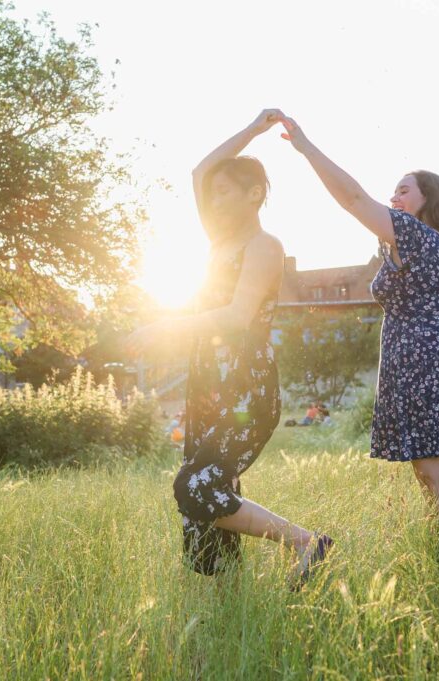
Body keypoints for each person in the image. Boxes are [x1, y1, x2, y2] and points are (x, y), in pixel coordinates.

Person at [279, 115, 439, 587]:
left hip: (427, 366)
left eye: (403, 192)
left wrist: (307, 148)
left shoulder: (416, 236)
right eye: (393, 192)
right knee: (432, 477)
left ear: (427, 203)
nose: (393, 199)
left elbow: (353, 199)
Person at [127, 110, 332, 586]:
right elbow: (201, 172)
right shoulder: (216, 241)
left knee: (196, 488)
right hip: (207, 384)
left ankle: (306, 542)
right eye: (213, 195)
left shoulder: (265, 246)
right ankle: (225, 598)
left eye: (225, 192)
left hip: (248, 387)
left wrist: (166, 326)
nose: (214, 200)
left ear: (254, 194)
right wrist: (253, 131)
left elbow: (239, 318)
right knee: (206, 503)